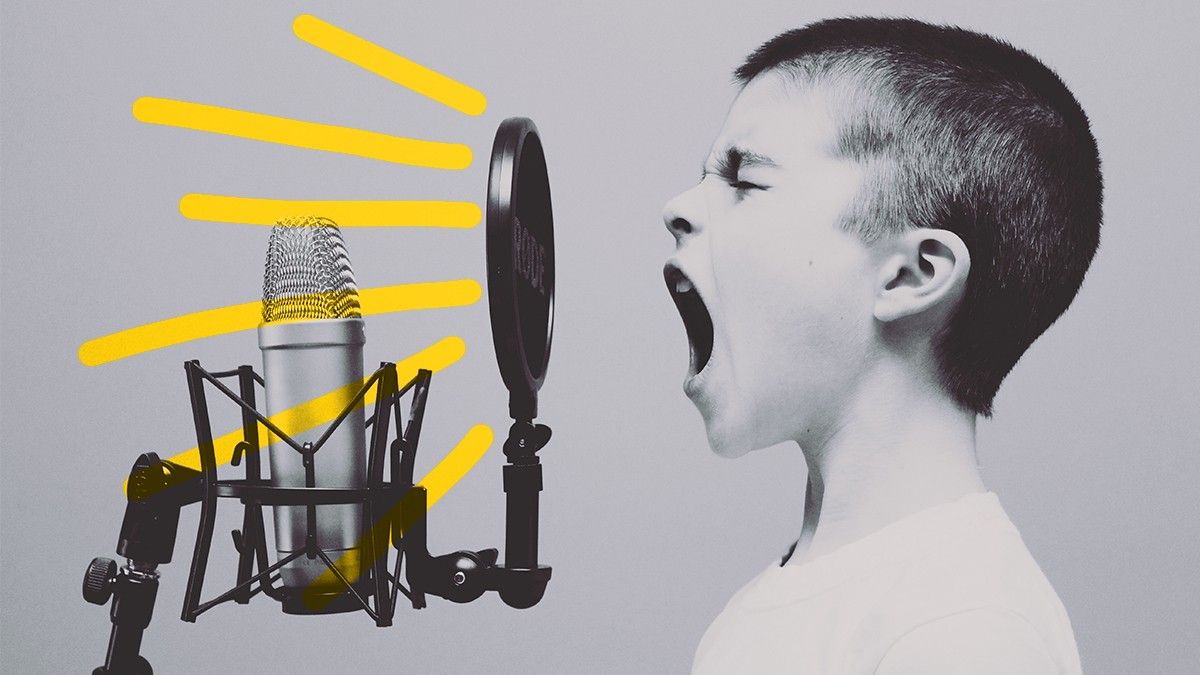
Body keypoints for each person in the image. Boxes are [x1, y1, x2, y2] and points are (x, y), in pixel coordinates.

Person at [662, 17, 1100, 674]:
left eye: (745, 179)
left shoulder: (964, 630)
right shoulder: (776, 605)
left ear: (912, 274)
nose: (679, 207)